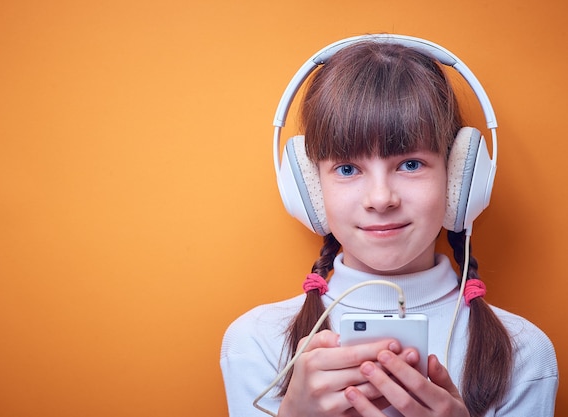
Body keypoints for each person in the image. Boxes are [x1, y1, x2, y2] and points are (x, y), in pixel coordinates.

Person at [220, 35, 558, 417]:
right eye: (347, 169)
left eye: (410, 164)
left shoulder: (523, 353)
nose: (381, 199)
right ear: (310, 192)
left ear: (459, 180)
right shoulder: (258, 342)